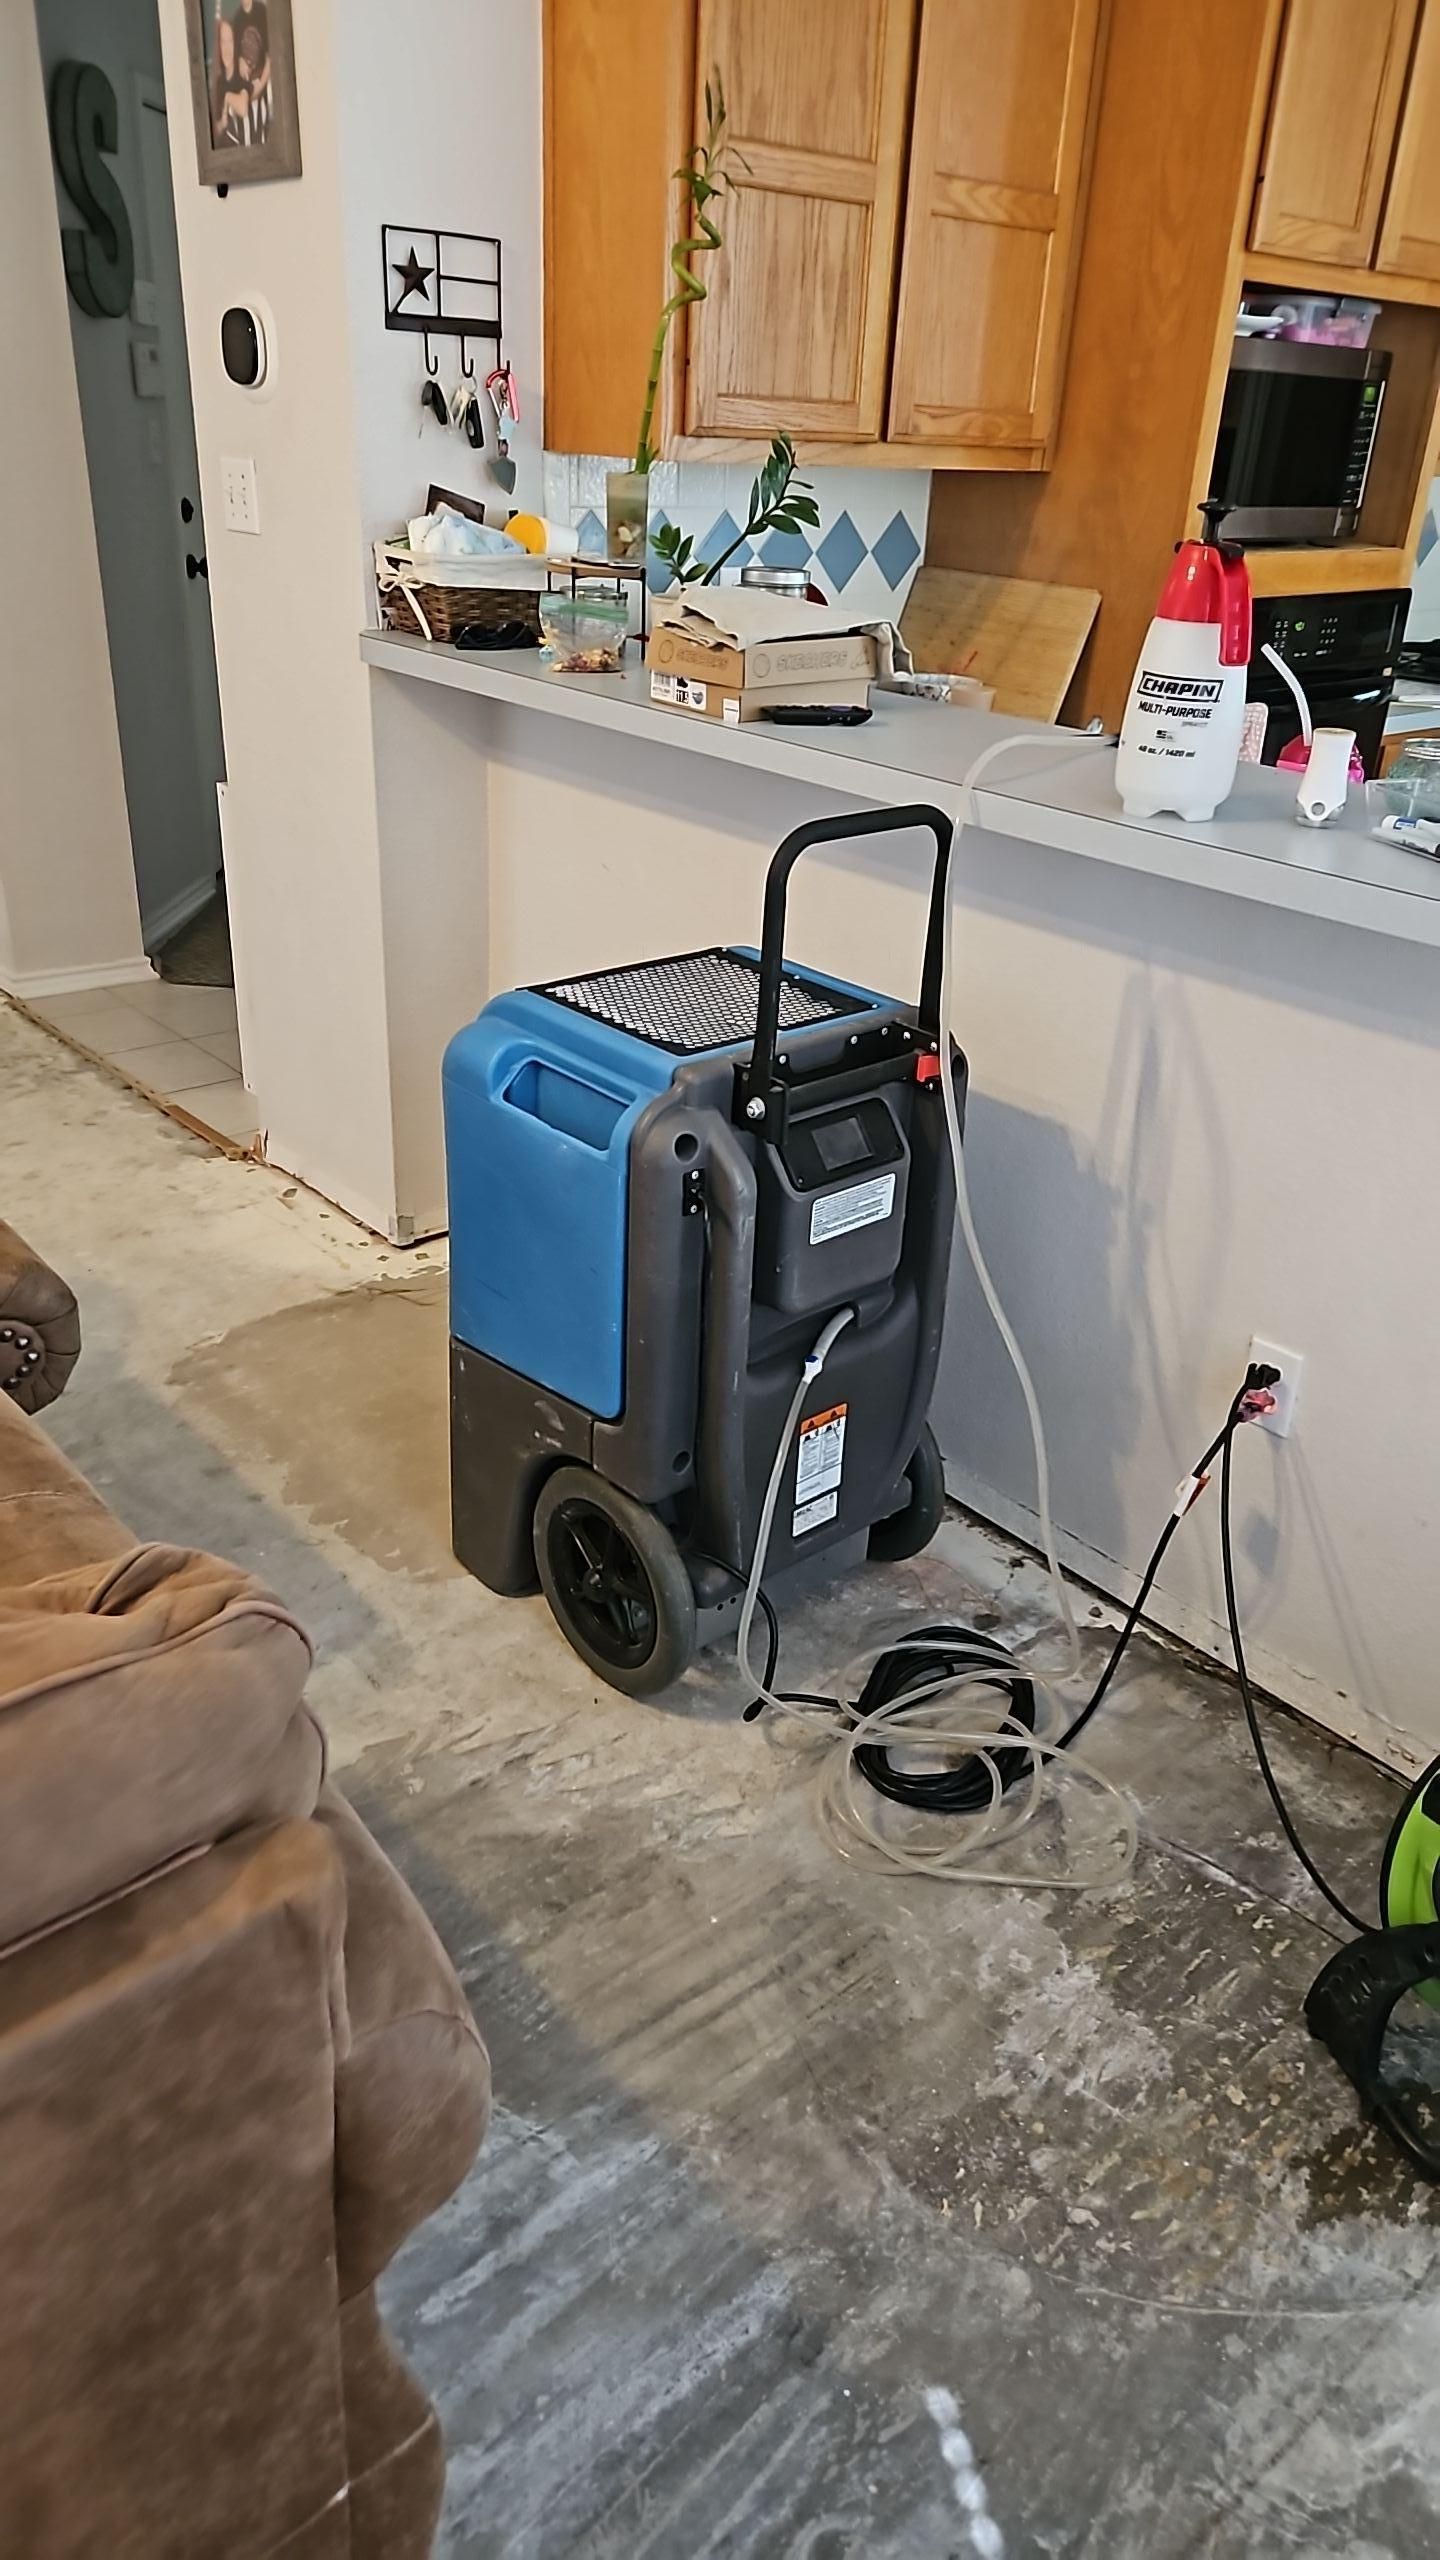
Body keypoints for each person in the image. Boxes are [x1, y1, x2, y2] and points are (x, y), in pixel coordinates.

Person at [209, 10, 250, 147]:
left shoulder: (241, 72)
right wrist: (221, 124)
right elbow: (213, 131)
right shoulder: (219, 81)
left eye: (230, 41)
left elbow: (243, 108)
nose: (226, 48)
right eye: (223, 42)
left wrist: (227, 98)